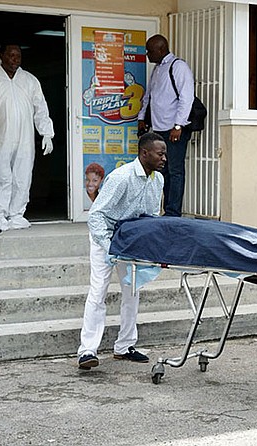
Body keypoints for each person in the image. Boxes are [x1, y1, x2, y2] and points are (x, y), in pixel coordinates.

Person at [77, 132, 166, 370]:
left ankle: (125, 346)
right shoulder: (121, 178)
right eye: (160, 153)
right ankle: (87, 351)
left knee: (132, 291)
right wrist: (109, 247)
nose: (164, 158)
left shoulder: (158, 180)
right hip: (104, 237)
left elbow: (151, 218)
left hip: (130, 241)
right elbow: (95, 217)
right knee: (98, 292)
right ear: (144, 153)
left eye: (165, 153)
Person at [0, 43, 54, 231]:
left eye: (18, 56)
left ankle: (16, 214)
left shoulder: (30, 80)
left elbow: (41, 108)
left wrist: (46, 132)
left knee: (22, 176)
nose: (15, 59)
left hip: (25, 138)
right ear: (2, 56)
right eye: (11, 55)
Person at [138, 34, 194, 217]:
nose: (147, 54)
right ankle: (166, 209)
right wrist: (142, 118)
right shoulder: (157, 69)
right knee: (163, 171)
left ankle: (173, 212)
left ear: (161, 49)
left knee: (175, 171)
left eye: (150, 51)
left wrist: (178, 126)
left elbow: (187, 98)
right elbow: (150, 96)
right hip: (159, 129)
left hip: (174, 130)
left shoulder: (178, 67)